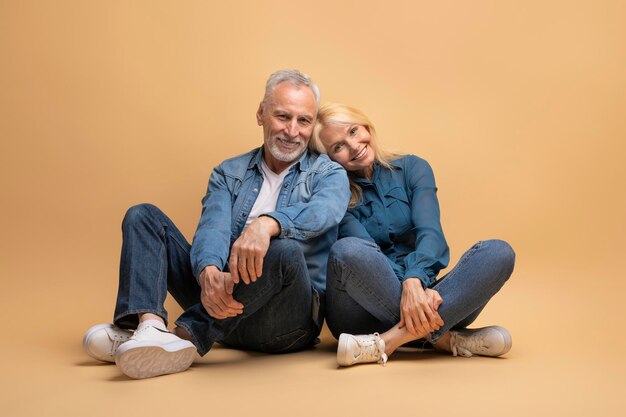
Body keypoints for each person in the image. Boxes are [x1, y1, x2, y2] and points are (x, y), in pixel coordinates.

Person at [82, 70, 350, 378]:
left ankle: (184, 337)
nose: (292, 131)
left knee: (286, 251)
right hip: (220, 305)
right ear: (261, 114)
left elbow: (324, 212)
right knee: (142, 215)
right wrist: (208, 270)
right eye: (282, 116)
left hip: (285, 325)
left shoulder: (329, 173)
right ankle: (148, 329)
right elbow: (213, 227)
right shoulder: (229, 171)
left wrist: (266, 224)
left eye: (304, 120)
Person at [310, 103, 515, 366]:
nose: (353, 146)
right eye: (337, 146)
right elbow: (365, 253)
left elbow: (430, 233)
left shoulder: (413, 167)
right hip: (358, 312)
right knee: (347, 250)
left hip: (422, 294)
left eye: (353, 131)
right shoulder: (336, 195)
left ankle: (387, 342)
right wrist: (412, 289)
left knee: (498, 253)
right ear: (329, 158)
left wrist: (415, 281)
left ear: (366, 126)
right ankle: (445, 339)